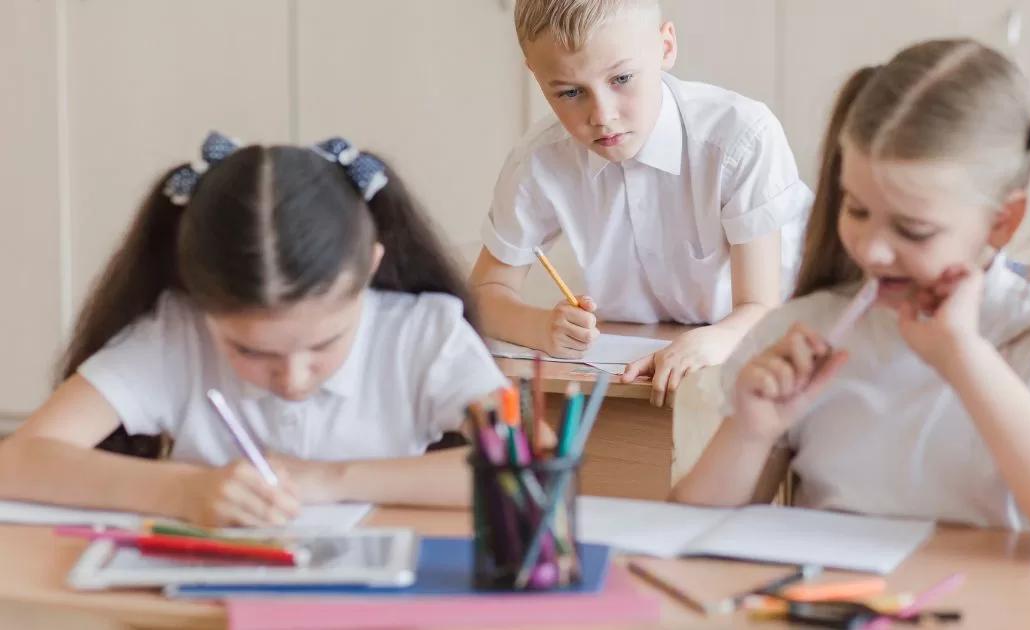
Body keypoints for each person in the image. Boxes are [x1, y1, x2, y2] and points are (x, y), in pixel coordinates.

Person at [670, 39, 1030, 628]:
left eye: (913, 230)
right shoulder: (807, 330)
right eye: (856, 209)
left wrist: (964, 358)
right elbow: (688, 534)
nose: (871, 248)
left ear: (1002, 221)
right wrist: (749, 430)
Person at [0, 132, 509, 527]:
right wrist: (183, 492)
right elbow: (17, 462)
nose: (293, 377)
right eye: (251, 350)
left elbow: (525, 463)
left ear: (371, 269)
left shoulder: (422, 335)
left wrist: (329, 481)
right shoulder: (177, 336)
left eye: (324, 343)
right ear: (198, 296)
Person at [469, 0, 811, 406]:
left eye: (622, 78)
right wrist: (541, 327)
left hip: (771, 349)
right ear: (536, 75)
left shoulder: (742, 137)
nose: (602, 115)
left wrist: (716, 340)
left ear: (665, 47)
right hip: (631, 364)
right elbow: (483, 294)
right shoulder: (539, 160)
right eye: (570, 92)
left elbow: (761, 307)